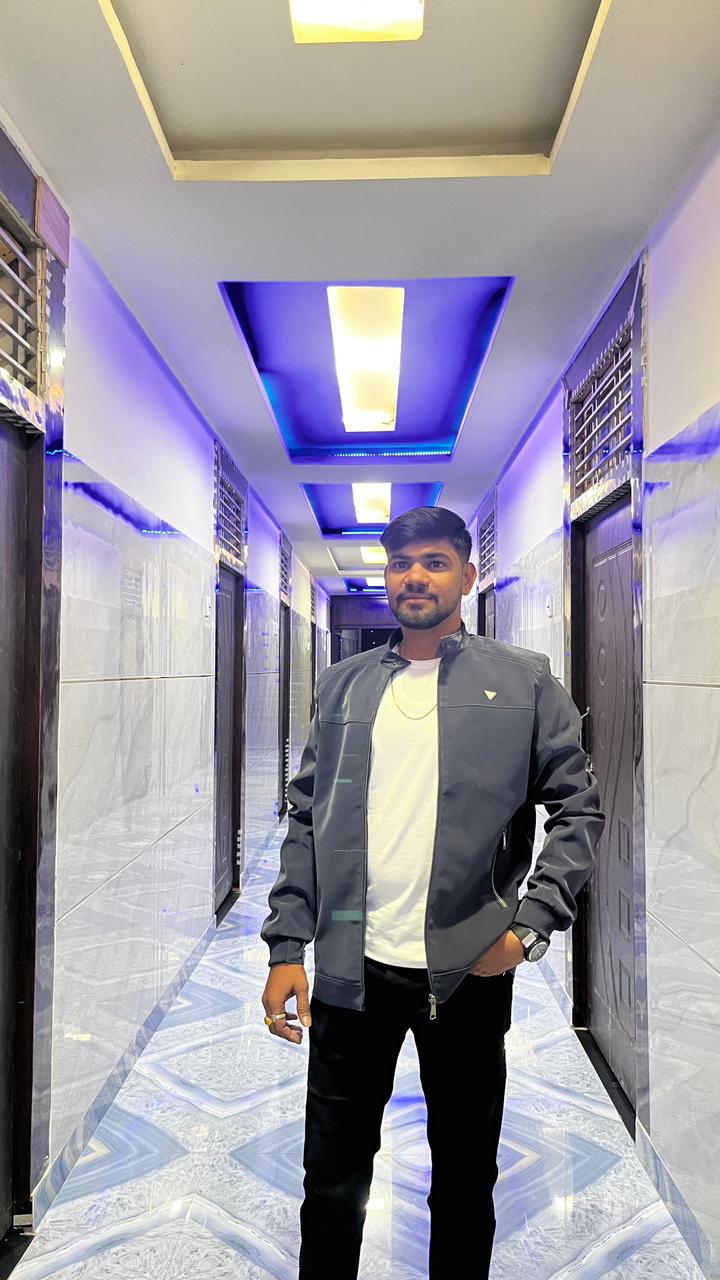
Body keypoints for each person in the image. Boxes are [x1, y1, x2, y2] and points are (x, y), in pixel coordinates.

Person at [260, 505, 604, 1280]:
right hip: (350, 973)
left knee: (464, 1179)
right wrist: (286, 947)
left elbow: (578, 811)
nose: (414, 577)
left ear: (467, 575)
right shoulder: (344, 686)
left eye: (434, 562)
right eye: (401, 564)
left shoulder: (523, 682)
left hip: (468, 973)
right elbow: (306, 818)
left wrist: (528, 928)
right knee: (332, 1182)